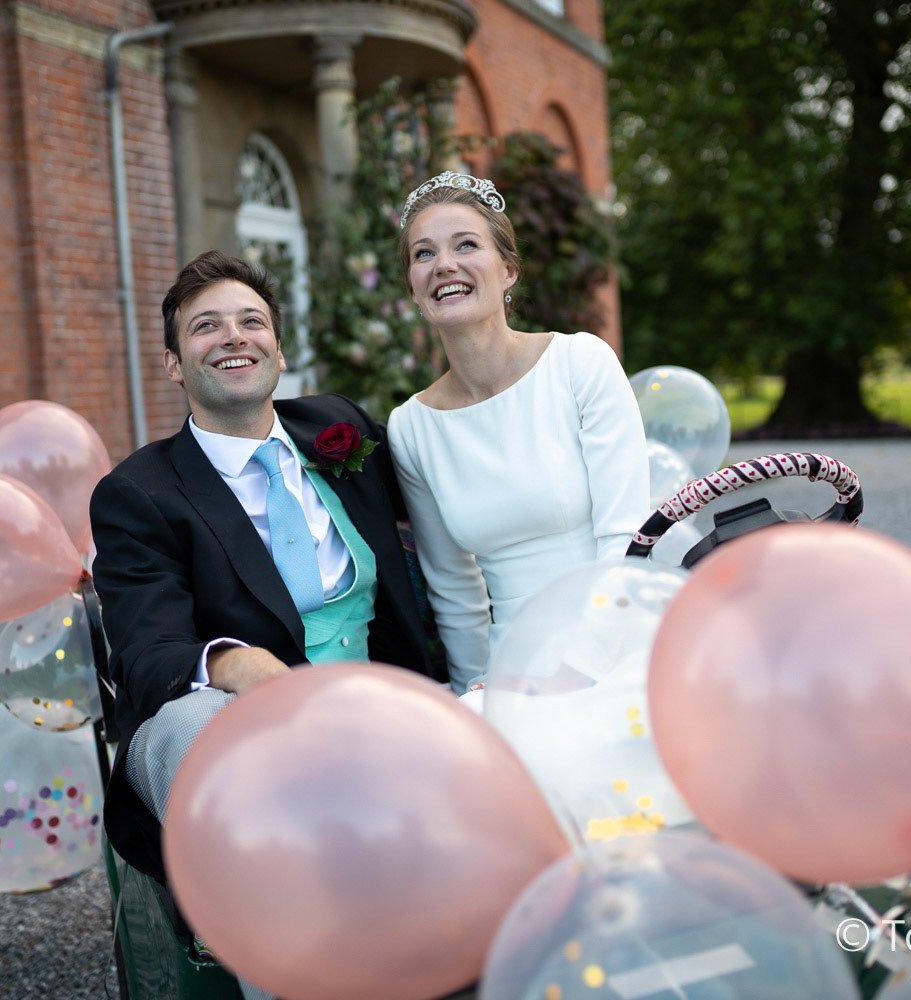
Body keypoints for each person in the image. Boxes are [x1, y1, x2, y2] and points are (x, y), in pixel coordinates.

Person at [89, 250, 440, 886]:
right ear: (174, 365)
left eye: (251, 321)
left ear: (277, 351)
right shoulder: (138, 495)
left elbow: (456, 486)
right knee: (218, 743)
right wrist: (236, 664)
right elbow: (144, 655)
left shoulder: (338, 427)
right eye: (205, 326)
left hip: (376, 703)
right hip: (241, 730)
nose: (232, 336)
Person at [387, 171, 651, 694]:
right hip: (511, 671)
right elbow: (456, 590)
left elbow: (627, 534)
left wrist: (580, 668)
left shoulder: (580, 363)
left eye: (466, 245)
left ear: (508, 270)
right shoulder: (411, 427)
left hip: (618, 643)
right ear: (414, 290)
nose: (444, 265)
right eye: (423, 254)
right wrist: (476, 690)